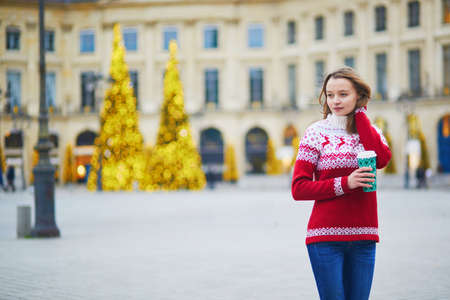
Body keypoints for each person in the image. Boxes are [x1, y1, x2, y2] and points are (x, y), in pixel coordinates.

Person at [291, 67, 392, 300]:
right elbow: (299, 188)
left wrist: (361, 117)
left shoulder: (372, 131)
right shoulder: (315, 133)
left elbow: (383, 160)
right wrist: (346, 183)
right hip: (325, 238)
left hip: (365, 237)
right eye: (330, 94)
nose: (335, 100)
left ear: (358, 95)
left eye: (343, 94)